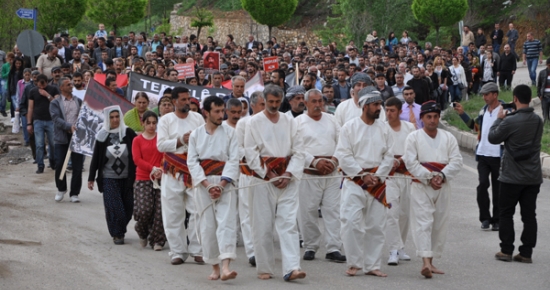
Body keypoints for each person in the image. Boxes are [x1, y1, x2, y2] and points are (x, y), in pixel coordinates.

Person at [243, 85, 306, 281]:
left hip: (287, 177)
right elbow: (250, 153)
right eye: (270, 102)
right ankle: (265, 267)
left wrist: (288, 173)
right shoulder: (253, 122)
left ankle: (292, 267)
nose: (273, 105)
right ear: (264, 99)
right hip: (263, 178)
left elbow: (299, 150)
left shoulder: (289, 121)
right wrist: (267, 174)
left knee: (288, 223)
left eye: (277, 102)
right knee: (262, 224)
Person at [335, 89, 394, 277]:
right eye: (376, 105)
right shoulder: (349, 127)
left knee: (376, 225)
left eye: (380, 104)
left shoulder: (384, 128)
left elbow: (389, 155)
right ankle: (354, 263)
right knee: (350, 222)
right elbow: (343, 155)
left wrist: (378, 176)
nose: (379, 108)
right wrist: (362, 175)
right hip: (355, 182)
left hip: (377, 182)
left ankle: (372, 265)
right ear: (365, 105)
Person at [403, 101, 463, 278]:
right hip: (421, 185)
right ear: (422, 118)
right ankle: (425, 262)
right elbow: (410, 162)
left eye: (435, 116)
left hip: (442, 185)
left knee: (439, 222)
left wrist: (441, 176)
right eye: (429, 117)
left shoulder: (448, 137)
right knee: (423, 222)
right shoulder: (413, 137)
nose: (432, 120)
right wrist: (429, 177)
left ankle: (432, 260)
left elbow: (456, 161)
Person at [489, 85, 543, 264]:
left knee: (506, 213)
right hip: (532, 176)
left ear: (515, 99)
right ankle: (526, 253)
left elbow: (493, 137)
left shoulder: (509, 121)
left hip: (511, 177)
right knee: (529, 215)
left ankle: (506, 250)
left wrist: (499, 119)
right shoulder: (538, 121)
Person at [188, 96, 240, 281]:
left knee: (226, 223)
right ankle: (215, 267)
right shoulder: (196, 134)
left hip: (225, 183)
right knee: (207, 225)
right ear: (206, 113)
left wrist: (222, 184)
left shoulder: (231, 133)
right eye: (216, 111)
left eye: (222, 111)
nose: (221, 115)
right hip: (204, 185)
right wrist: (208, 185)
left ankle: (226, 266)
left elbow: (234, 159)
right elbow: (192, 162)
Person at [296, 89, 346, 263]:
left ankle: (333, 247)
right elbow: (296, 148)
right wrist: (314, 162)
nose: (318, 105)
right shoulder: (298, 122)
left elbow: (342, 141)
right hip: (309, 173)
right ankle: (310, 245)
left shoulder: (332, 120)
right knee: (308, 211)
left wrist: (334, 159)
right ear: (306, 103)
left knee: (333, 210)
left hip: (331, 172)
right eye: (314, 102)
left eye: (320, 101)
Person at [157, 86, 205, 265]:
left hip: (194, 168)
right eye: (183, 100)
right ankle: (177, 251)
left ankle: (197, 249)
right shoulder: (166, 120)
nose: (187, 102)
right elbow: (161, 146)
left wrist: (195, 140)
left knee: (198, 209)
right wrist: (181, 140)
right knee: (173, 211)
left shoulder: (198, 118)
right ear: (175, 101)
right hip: (172, 170)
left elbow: (206, 140)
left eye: (189, 99)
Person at [454, 82, 506, 231]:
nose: (484, 97)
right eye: (483, 94)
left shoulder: (505, 111)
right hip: (483, 154)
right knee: (482, 185)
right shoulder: (484, 111)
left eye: (486, 95)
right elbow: (474, 126)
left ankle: (497, 220)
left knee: (498, 189)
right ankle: (485, 218)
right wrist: (462, 113)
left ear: (495, 95)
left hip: (498, 155)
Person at [88, 105, 137, 245]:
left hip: (127, 178)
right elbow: (96, 158)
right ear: (107, 119)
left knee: (128, 208)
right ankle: (117, 234)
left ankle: (120, 228)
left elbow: (136, 152)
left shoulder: (128, 133)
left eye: (117, 116)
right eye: (111, 117)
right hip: (109, 177)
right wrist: (91, 177)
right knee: (115, 207)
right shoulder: (102, 135)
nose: (115, 120)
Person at [384, 97, 416, 265]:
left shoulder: (409, 128)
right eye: (386, 110)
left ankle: (401, 246)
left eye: (392, 110)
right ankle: (393, 250)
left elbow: (414, 149)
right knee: (391, 212)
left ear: (400, 111)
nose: (389, 114)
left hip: (406, 175)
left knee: (404, 213)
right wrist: (390, 161)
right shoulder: (381, 128)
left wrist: (401, 160)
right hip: (389, 176)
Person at [235, 91, 265, 267]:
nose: (265, 108)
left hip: (268, 174)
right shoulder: (243, 123)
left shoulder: (273, 122)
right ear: (253, 106)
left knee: (265, 214)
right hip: (249, 172)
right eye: (262, 104)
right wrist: (256, 159)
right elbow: (239, 149)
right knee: (247, 214)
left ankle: (263, 248)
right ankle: (252, 251)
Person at [132, 111, 166, 251]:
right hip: (143, 178)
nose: (152, 126)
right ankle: (141, 229)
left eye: (154, 123)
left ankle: (157, 240)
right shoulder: (137, 140)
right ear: (143, 123)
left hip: (161, 178)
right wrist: (152, 168)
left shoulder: (161, 139)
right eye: (149, 123)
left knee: (159, 211)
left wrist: (161, 170)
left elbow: (165, 155)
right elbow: (137, 159)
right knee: (144, 210)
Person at [50, 77, 84, 203]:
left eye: (71, 83)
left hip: (76, 137)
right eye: (68, 84)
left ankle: (74, 193)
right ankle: (61, 188)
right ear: (61, 88)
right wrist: (69, 126)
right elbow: (56, 119)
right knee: (60, 164)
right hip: (61, 138)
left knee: (77, 166)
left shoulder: (79, 101)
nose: (71, 85)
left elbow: (84, 117)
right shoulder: (55, 103)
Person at [27, 74, 60, 173]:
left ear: (46, 82)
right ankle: (40, 165)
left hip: (51, 120)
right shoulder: (33, 91)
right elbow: (30, 107)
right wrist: (29, 123)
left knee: (53, 143)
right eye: (39, 85)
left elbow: (57, 103)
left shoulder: (53, 89)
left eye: (43, 84)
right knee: (39, 144)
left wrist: (47, 95)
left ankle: (53, 161)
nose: (41, 87)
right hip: (38, 120)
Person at [536, 58, 550, 123]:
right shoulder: (542, 73)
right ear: (547, 65)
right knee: (545, 112)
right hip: (544, 96)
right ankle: (546, 123)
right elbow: (539, 85)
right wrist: (539, 94)